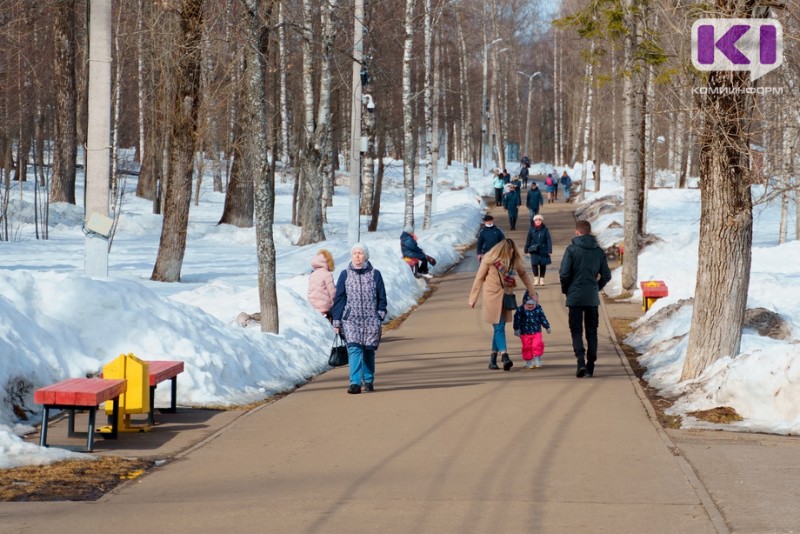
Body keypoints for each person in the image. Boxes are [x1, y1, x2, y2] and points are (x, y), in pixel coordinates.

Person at [469, 238, 538, 371]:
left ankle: (493, 358)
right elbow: (479, 278)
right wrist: (473, 298)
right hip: (491, 297)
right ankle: (505, 355)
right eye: (510, 252)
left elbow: (523, 274)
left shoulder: (514, 261)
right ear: (503, 251)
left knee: (498, 328)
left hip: (506, 296)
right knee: (499, 326)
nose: (512, 254)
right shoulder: (489, 259)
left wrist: (532, 292)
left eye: (513, 252)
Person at [332, 243, 388, 394]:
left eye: (360, 253)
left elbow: (382, 297)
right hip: (351, 320)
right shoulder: (345, 274)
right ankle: (355, 383)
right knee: (355, 348)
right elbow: (339, 299)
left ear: (366, 256)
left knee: (368, 351)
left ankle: (368, 380)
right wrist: (337, 321)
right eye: (355, 253)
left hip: (371, 319)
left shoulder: (375, 274)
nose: (357, 256)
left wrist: (380, 315)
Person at [559, 220, 611, 378]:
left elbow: (564, 274)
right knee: (592, 330)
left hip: (575, 296)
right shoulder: (599, 251)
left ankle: (580, 360)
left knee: (576, 330)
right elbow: (607, 275)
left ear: (577, 233)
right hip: (591, 297)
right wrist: (597, 286)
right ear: (590, 232)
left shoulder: (571, 250)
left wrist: (567, 289)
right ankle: (591, 363)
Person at [513, 292, 551, 369]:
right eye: (528, 304)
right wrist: (516, 329)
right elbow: (517, 319)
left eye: (532, 304)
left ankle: (537, 360)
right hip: (524, 333)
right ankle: (528, 362)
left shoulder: (538, 308)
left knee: (537, 345)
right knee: (527, 347)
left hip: (536, 331)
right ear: (524, 303)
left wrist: (547, 326)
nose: (530, 306)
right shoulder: (520, 309)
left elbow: (542, 318)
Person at [307, 249, 336, 322]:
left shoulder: (313, 274)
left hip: (312, 305)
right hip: (324, 306)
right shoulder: (327, 274)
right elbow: (332, 292)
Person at [524, 214, 553, 286]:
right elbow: (528, 240)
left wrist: (549, 249)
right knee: (534, 264)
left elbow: (548, 239)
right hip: (534, 249)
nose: (538, 221)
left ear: (542, 221)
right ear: (534, 221)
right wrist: (526, 248)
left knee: (543, 264)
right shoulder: (531, 229)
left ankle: (542, 279)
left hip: (543, 249)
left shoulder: (545, 229)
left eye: (539, 220)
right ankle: (536, 279)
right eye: (536, 220)